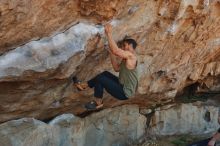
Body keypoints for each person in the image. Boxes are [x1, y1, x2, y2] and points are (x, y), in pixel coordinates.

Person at [73, 24, 139, 110]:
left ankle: (98, 102)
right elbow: (116, 68)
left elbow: (116, 50)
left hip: (124, 93)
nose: (123, 47)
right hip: (121, 86)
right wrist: (111, 53)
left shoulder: (131, 57)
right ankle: (83, 86)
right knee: (104, 75)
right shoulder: (126, 60)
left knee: (101, 79)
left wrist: (109, 33)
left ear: (130, 46)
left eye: (124, 45)